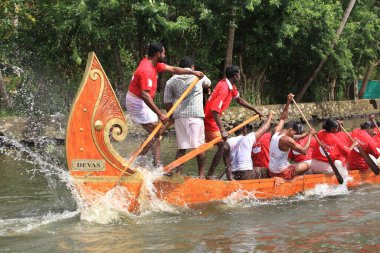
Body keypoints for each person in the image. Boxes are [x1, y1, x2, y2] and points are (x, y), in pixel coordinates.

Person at [125, 42, 203, 167]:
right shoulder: (147, 70)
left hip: (140, 100)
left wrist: (193, 73)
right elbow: (145, 95)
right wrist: (160, 113)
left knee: (155, 133)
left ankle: (145, 163)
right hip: (137, 102)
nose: (165, 55)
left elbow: (173, 69)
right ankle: (140, 162)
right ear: (157, 54)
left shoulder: (154, 63)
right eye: (164, 53)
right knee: (156, 132)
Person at [204, 65, 263, 179]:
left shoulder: (230, 86)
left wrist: (255, 110)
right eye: (239, 74)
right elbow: (215, 110)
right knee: (224, 147)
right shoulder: (224, 88)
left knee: (226, 148)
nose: (240, 76)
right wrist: (223, 130)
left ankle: (229, 176)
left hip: (213, 120)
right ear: (235, 75)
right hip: (210, 121)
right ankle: (210, 175)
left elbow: (239, 100)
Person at [163, 56, 211, 178]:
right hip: (195, 116)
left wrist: (172, 116)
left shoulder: (171, 81)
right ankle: (201, 176)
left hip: (179, 116)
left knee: (181, 148)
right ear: (192, 67)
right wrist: (205, 88)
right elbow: (208, 83)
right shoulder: (199, 77)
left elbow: (167, 102)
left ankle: (177, 175)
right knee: (199, 148)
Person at [268, 94, 316, 180]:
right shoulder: (287, 140)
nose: (294, 134)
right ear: (290, 129)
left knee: (292, 164)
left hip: (272, 170)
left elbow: (283, 118)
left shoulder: (275, 131)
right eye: (294, 131)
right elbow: (304, 151)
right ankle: (295, 179)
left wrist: (288, 102)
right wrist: (310, 135)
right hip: (282, 172)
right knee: (310, 163)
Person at [227, 112, 273, 180]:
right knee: (265, 170)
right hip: (246, 173)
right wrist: (270, 117)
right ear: (244, 130)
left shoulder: (228, 141)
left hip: (233, 173)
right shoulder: (247, 138)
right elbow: (264, 129)